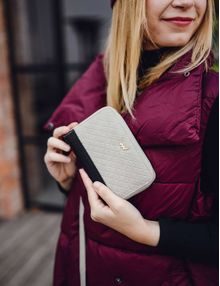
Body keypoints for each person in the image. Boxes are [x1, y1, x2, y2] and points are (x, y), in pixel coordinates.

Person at [44, 0, 218, 285]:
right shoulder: (96, 87)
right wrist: (67, 182)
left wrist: (146, 230)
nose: (186, 2)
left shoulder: (214, 102)